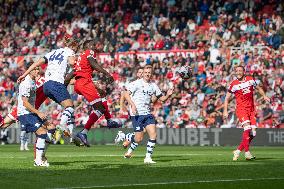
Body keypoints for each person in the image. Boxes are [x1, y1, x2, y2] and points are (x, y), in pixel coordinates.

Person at [17, 37, 79, 136]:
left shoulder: (53, 53)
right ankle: (63, 125)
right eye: (77, 47)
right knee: (70, 107)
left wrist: (24, 74)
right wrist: (80, 62)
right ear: (73, 46)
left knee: (68, 108)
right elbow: (72, 62)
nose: (77, 50)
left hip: (47, 86)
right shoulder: (70, 52)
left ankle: (68, 133)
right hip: (55, 84)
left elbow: (36, 63)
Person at [116, 65, 174, 164]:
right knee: (138, 138)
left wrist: (168, 95)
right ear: (143, 74)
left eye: (149, 73)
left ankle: (148, 158)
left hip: (147, 113)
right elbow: (125, 94)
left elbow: (162, 99)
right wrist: (132, 105)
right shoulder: (136, 83)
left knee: (153, 135)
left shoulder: (153, 86)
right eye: (146, 72)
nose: (147, 74)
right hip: (137, 114)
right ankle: (124, 136)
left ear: (151, 74)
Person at [72, 39, 119, 147]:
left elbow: (73, 73)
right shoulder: (89, 52)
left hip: (81, 83)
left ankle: (109, 120)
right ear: (87, 45)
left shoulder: (80, 57)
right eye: (93, 44)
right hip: (84, 82)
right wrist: (107, 73)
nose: (94, 46)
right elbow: (93, 64)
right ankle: (83, 133)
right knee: (99, 109)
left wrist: (64, 84)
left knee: (102, 96)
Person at [223, 65, 270, 161]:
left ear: (244, 72)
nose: (238, 72)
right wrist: (225, 110)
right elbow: (227, 98)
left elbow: (259, 88)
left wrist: (264, 96)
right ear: (235, 72)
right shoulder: (233, 84)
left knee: (253, 133)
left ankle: (238, 150)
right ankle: (247, 153)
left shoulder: (250, 79)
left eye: (240, 70)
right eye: (237, 71)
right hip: (241, 109)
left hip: (252, 109)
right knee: (247, 128)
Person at [17, 64, 55, 166]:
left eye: (38, 69)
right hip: (25, 113)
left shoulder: (33, 82)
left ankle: (41, 155)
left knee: (51, 128)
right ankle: (38, 161)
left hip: (32, 113)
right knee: (42, 132)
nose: (37, 71)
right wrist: (38, 112)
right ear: (29, 71)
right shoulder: (26, 83)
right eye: (35, 69)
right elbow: (25, 103)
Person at [115, 66, 144, 149]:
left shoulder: (148, 84)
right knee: (144, 131)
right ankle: (126, 137)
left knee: (144, 131)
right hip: (136, 111)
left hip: (144, 110)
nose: (142, 74)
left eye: (143, 72)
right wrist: (121, 107)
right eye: (140, 72)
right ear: (137, 74)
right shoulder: (133, 84)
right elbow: (123, 94)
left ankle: (125, 137)